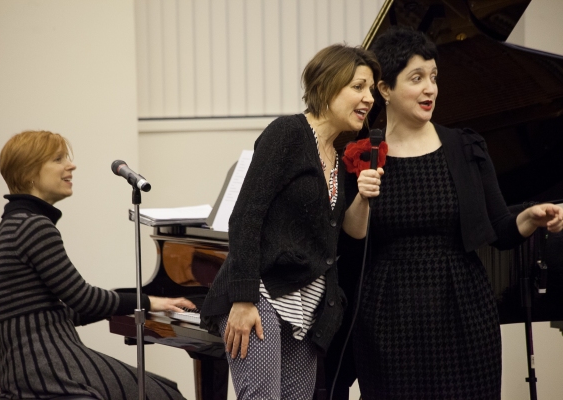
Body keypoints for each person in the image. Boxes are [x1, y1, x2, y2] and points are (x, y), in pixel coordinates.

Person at [344, 27, 563, 399]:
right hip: (389, 315)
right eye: (417, 78)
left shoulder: (465, 147)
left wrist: (531, 216)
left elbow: (499, 228)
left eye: (433, 77)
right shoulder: (362, 151)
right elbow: (350, 241)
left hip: (463, 309)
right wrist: (361, 197)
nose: (430, 88)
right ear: (385, 89)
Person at [199, 44, 381, 399]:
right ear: (328, 85)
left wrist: (363, 196)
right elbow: (246, 216)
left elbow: (352, 232)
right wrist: (243, 299)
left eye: (371, 89)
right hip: (262, 295)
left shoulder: (338, 156)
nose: (369, 98)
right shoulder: (288, 133)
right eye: (358, 86)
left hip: (309, 306)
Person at [0, 130, 196, 399]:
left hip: (24, 367)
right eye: (58, 159)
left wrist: (132, 301)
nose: (71, 165)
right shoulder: (34, 226)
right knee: (164, 394)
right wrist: (151, 302)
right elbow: (84, 300)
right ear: (29, 173)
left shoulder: (13, 225)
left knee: (162, 388)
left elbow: (61, 313)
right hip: (48, 366)